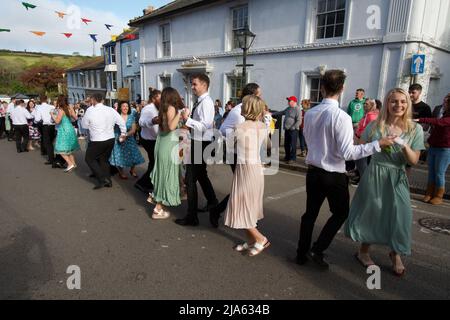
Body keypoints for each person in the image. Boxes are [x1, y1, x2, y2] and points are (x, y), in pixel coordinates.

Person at [296, 70, 396, 269]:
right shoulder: (341, 116)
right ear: (342, 89)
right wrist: (378, 144)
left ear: (322, 88)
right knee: (341, 213)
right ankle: (317, 249)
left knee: (310, 214)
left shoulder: (311, 113)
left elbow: (309, 141)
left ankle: (302, 252)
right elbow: (348, 153)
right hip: (333, 174)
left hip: (314, 171)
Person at [346, 88, 425, 277]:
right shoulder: (375, 126)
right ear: (387, 104)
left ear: (408, 104)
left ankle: (395, 252)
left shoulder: (415, 129)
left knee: (400, 215)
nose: (398, 105)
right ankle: (363, 251)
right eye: (394, 101)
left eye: (403, 101)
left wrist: (404, 145)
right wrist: (378, 143)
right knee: (372, 213)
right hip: (375, 173)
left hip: (397, 176)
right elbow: (359, 147)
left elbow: (414, 160)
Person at [224, 95, 271, 256]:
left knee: (240, 204)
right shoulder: (263, 126)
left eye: (243, 105)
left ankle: (260, 238)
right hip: (256, 168)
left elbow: (230, 147)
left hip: (245, 169)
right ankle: (251, 241)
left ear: (247, 108)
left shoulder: (240, 127)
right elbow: (266, 146)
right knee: (247, 205)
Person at [210, 83, 262, 228]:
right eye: (259, 94)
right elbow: (222, 130)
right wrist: (239, 135)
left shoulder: (253, 109)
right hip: (237, 155)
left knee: (242, 189)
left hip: (250, 157)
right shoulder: (238, 111)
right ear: (251, 95)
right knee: (241, 189)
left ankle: (221, 211)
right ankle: (244, 221)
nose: (261, 97)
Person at [176, 73, 218, 227]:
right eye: (192, 84)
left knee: (190, 180)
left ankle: (192, 216)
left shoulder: (206, 103)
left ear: (204, 85)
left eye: (195, 84)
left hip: (201, 144)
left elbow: (205, 125)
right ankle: (213, 203)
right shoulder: (201, 102)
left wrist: (187, 119)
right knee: (201, 176)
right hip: (199, 142)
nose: (192, 87)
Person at [150, 87, 184, 219]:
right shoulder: (171, 108)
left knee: (163, 175)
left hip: (163, 145)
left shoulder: (163, 109)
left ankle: (159, 202)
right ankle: (158, 209)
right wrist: (180, 114)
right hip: (168, 147)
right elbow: (171, 127)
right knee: (165, 176)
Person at [82, 93, 127, 190]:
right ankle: (108, 180)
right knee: (104, 160)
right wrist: (123, 133)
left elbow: (84, 125)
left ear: (93, 100)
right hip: (110, 139)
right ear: (102, 100)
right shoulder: (110, 109)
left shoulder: (90, 110)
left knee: (89, 158)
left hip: (97, 139)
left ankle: (102, 179)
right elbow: (121, 121)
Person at [416, 92, 450, 205]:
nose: (444, 103)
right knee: (431, 171)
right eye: (444, 101)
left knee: (439, 172)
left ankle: (438, 196)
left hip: (445, 149)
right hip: (433, 147)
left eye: (446, 102)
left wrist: (421, 120)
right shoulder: (443, 113)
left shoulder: (446, 118)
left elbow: (439, 122)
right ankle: (429, 193)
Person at [109, 101, 145, 179]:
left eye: (127, 106)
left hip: (129, 138)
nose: (125, 108)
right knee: (119, 157)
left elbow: (133, 130)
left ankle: (132, 170)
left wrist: (125, 135)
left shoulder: (131, 117)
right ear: (120, 108)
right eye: (123, 106)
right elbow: (111, 127)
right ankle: (121, 172)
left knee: (134, 155)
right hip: (118, 139)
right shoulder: (116, 117)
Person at [135, 89, 161, 194]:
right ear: (154, 98)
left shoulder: (158, 108)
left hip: (155, 139)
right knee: (155, 163)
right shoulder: (148, 108)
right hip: (149, 140)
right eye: (160, 98)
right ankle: (143, 183)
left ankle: (147, 182)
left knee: (154, 162)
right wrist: (152, 121)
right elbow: (141, 122)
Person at [51, 95, 80, 173]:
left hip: (63, 129)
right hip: (70, 128)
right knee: (69, 148)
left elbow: (57, 121)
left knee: (60, 149)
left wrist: (52, 115)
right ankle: (73, 164)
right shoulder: (70, 107)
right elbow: (75, 118)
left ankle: (70, 163)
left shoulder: (61, 110)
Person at [353, 98, 379, 182]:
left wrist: (364, 140)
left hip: (364, 142)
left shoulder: (371, 116)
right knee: (362, 163)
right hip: (360, 139)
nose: (364, 105)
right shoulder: (368, 114)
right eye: (364, 103)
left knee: (361, 162)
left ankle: (364, 181)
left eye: (366, 104)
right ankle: (362, 180)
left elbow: (371, 130)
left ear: (372, 106)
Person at [272, 96, 302, 164]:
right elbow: (282, 112)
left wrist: (293, 127)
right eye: (288, 101)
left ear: (294, 102)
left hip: (293, 130)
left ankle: (292, 158)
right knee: (286, 144)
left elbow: (299, 121)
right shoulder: (288, 108)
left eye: (289, 101)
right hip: (287, 129)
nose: (288, 102)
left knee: (292, 145)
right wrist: (272, 113)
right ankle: (287, 157)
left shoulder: (297, 109)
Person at [34, 95, 58, 167]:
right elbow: (56, 116)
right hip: (53, 126)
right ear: (46, 99)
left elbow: (37, 119)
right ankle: (56, 157)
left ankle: (51, 159)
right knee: (53, 142)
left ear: (40, 100)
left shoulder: (39, 108)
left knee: (48, 143)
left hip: (45, 126)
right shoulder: (52, 107)